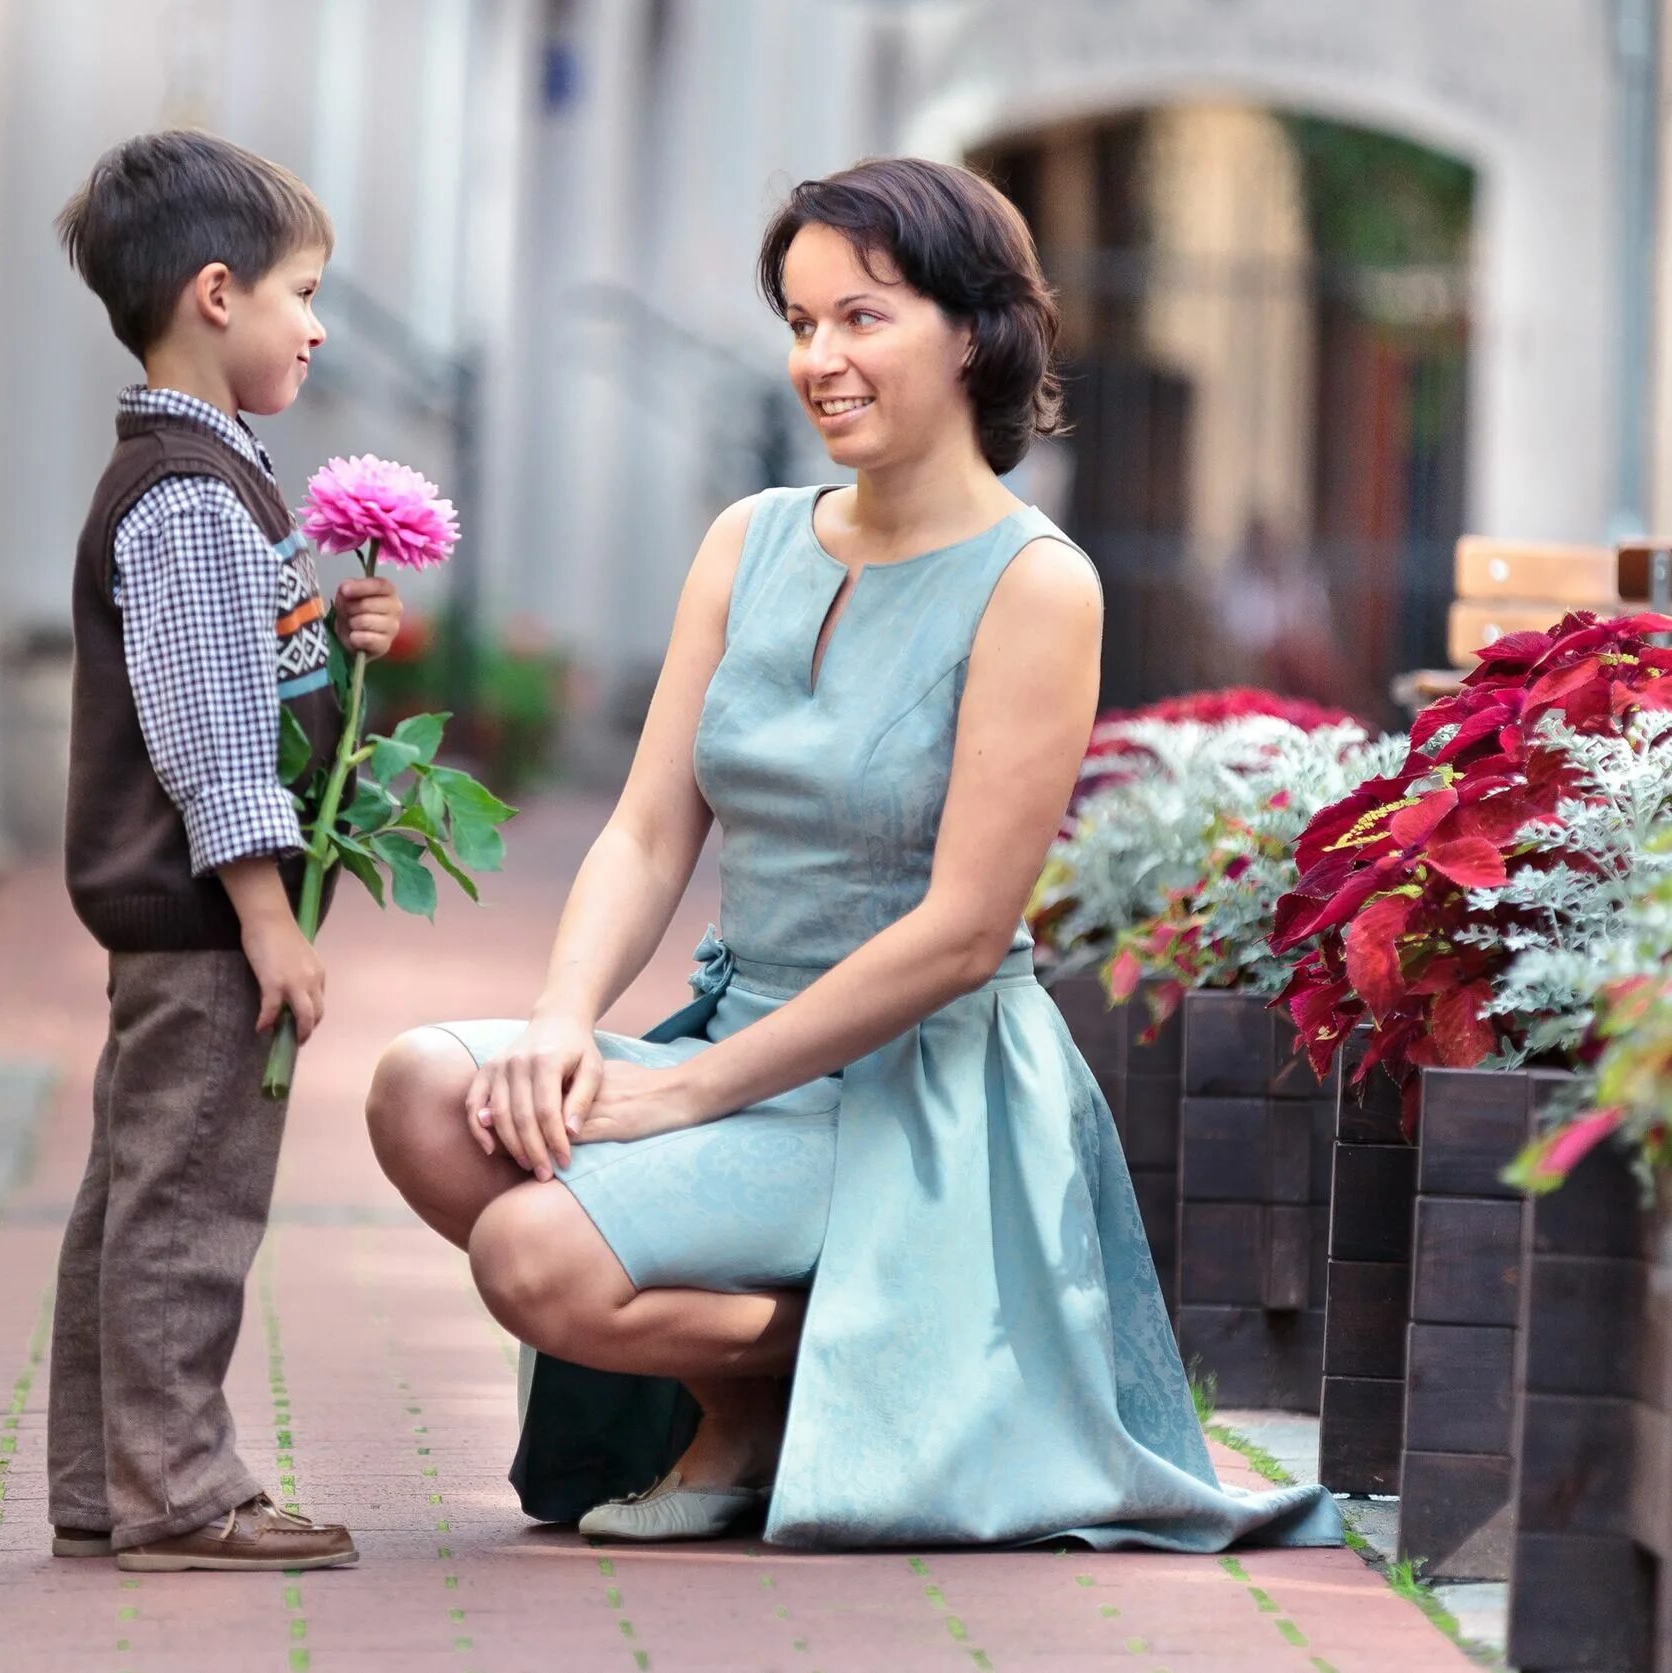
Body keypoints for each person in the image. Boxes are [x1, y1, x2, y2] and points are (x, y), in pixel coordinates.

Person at [364, 158, 1341, 1552]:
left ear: (976, 334)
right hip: (739, 1034)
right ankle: (782, 1388)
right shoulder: (747, 540)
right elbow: (648, 827)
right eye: (803, 320)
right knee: (422, 1091)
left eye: (861, 319)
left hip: (918, 1095)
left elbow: (959, 930)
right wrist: (564, 1027)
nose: (817, 359)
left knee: (534, 1251)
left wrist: (683, 1096)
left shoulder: (1036, 580)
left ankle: (870, 1353)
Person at [48, 129, 400, 1573]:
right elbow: (206, 732)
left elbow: (227, 667)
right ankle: (182, 1490)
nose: (316, 323)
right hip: (202, 923)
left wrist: (324, 628)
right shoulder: (193, 495)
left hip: (176, 921)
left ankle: (105, 1479)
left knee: (133, 1198)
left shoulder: (195, 479)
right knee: (189, 1208)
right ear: (215, 294)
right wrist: (269, 911)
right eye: (301, 292)